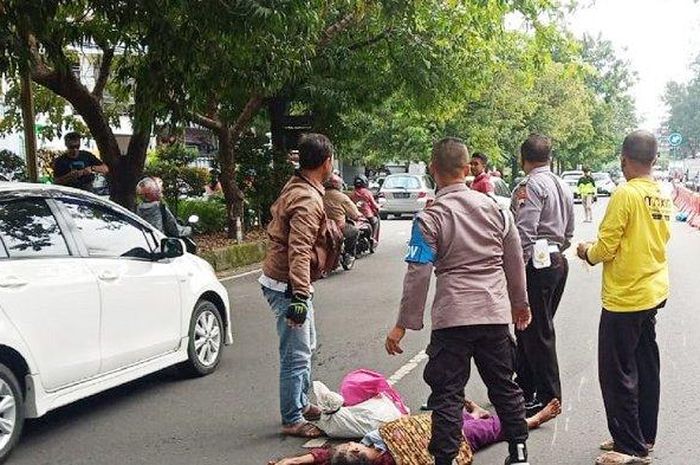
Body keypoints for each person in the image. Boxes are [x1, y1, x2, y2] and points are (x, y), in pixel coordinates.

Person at [385, 137, 533, 465]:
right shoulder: (497, 210)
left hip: (452, 318)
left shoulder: (429, 218)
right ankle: (519, 451)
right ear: (467, 169)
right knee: (503, 387)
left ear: (432, 170)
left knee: (447, 394)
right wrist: (519, 304)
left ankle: (447, 459)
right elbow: (514, 261)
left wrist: (403, 325)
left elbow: (418, 275)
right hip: (493, 316)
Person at [576, 130, 671, 465]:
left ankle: (629, 448)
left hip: (625, 297)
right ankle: (641, 436)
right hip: (653, 291)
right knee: (646, 366)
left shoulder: (625, 194)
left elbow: (606, 247)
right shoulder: (661, 193)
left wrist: (586, 252)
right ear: (655, 160)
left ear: (623, 159)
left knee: (617, 372)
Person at [259, 133, 335, 438]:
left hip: (286, 280)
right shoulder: (306, 198)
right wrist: (300, 296)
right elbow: (299, 249)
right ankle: (292, 417)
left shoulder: (299, 184)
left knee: (307, 346)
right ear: (327, 162)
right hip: (288, 286)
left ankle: (302, 403)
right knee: (296, 354)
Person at [267, 399, 561, 465]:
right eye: (351, 446)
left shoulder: (365, 448)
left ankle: (472, 412)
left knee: (446, 409)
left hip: (430, 422)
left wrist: (290, 461)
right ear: (357, 451)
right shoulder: (388, 459)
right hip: (453, 438)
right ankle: (534, 419)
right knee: (492, 429)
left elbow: (321, 455)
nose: (348, 443)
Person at [510, 134, 574, 416]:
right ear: (549, 156)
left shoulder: (530, 185)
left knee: (537, 331)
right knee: (527, 329)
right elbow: (569, 229)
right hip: (557, 258)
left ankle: (548, 397)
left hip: (537, 262)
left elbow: (525, 231)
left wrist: (517, 271)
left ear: (523, 158)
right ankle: (523, 387)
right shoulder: (561, 183)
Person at [323, 174, 362, 264]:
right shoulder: (342, 197)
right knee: (354, 231)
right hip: (338, 227)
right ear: (338, 185)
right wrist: (357, 216)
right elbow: (354, 214)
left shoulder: (318, 194)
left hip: (320, 225)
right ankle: (349, 254)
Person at [351, 175, 380, 243]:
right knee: (375, 222)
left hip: (354, 215)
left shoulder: (352, 193)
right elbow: (374, 204)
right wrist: (378, 208)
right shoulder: (367, 192)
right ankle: (372, 238)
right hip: (367, 215)